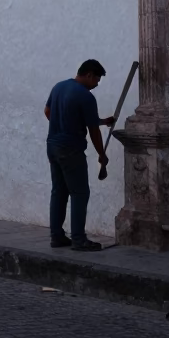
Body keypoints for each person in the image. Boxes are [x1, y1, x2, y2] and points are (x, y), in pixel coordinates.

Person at [44, 59, 115, 251]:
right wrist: (102, 154)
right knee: (80, 192)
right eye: (97, 81)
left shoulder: (59, 87)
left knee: (58, 191)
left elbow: (48, 111)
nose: (96, 85)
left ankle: (57, 236)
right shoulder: (85, 96)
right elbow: (92, 130)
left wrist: (65, 125)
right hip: (71, 149)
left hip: (53, 145)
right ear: (90, 74)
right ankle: (79, 239)